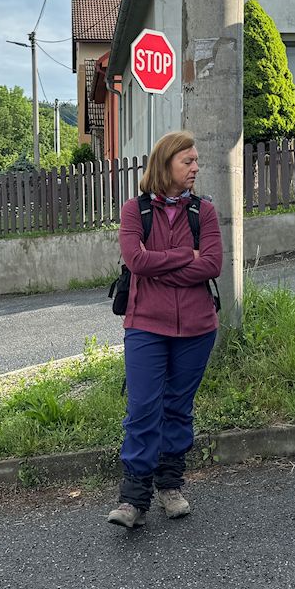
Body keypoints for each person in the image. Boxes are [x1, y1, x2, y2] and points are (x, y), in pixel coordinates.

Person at [108, 130, 223, 529]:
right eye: (187, 161)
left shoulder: (203, 212)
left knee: (177, 407)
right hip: (145, 325)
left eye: (196, 161)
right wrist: (181, 258)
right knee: (142, 408)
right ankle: (133, 499)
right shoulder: (134, 210)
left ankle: (170, 486)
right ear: (165, 164)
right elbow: (136, 262)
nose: (195, 168)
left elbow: (211, 266)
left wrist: (164, 268)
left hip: (197, 326)